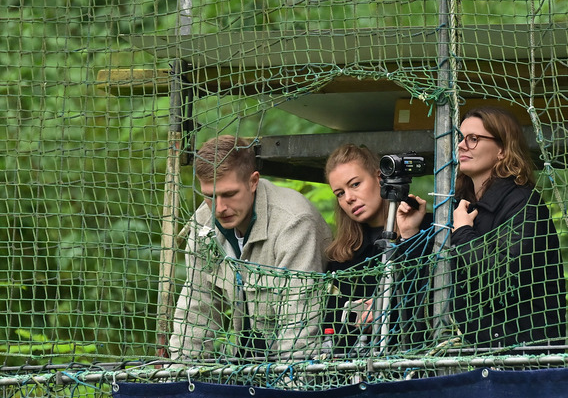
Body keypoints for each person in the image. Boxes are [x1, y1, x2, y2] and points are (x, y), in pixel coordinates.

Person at [169, 135, 332, 361]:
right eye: (209, 196)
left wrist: (288, 391)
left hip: (311, 361)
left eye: (229, 194)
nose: (219, 208)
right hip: (248, 360)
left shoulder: (293, 223)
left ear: (253, 181)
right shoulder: (203, 224)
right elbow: (197, 310)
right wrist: (179, 383)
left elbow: (299, 329)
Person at [433, 104, 565, 347]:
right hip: (479, 356)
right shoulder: (459, 207)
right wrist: (412, 230)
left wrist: (462, 234)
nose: (462, 145)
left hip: (522, 360)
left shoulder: (524, 203)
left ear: (502, 150)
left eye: (473, 139)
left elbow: (504, 280)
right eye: (461, 138)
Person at [324, 144, 432, 349]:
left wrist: (386, 308)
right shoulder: (342, 256)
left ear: (380, 177)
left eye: (355, 184)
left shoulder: (426, 230)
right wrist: (355, 318)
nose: (348, 198)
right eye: (339, 193)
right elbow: (331, 325)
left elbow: (431, 299)